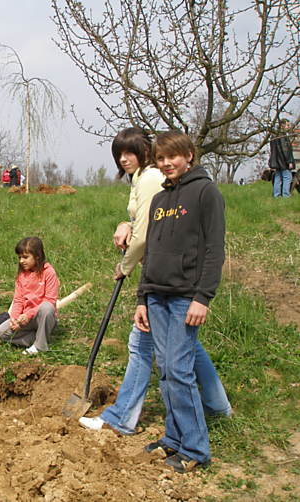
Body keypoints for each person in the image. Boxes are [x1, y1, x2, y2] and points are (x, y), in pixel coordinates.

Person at [79, 127, 231, 436]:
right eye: (119, 153)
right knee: (186, 346)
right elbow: (143, 221)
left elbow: (148, 235)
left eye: (130, 152)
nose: (124, 158)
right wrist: (126, 224)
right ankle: (218, 406)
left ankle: (123, 418)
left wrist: (126, 266)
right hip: (159, 281)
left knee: (140, 346)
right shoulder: (151, 183)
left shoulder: (156, 181)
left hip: (172, 282)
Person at [133, 131, 226, 473]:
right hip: (156, 295)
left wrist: (203, 297)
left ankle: (196, 449)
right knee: (165, 370)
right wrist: (142, 297)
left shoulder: (206, 193)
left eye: (172, 156)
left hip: (185, 298)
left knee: (179, 371)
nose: (167, 163)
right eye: (160, 159)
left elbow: (215, 250)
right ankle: (173, 438)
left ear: (189, 155)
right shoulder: (159, 200)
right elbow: (151, 253)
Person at [0, 237, 60, 354]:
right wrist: (15, 319)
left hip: (42, 316)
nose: (21, 261)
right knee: (0, 332)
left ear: (37, 256)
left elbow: (50, 300)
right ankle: (38, 338)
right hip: (25, 319)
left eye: (25, 257)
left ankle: (40, 346)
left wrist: (28, 315)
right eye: (19, 257)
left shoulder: (49, 273)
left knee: (47, 307)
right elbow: (18, 300)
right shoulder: (21, 275)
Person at [269, 119, 296, 197]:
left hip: (277, 162)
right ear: (282, 125)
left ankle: (276, 195)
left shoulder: (273, 135)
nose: (288, 126)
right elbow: (285, 150)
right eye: (287, 125)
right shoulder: (282, 136)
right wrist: (289, 161)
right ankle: (286, 195)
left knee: (278, 178)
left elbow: (273, 150)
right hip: (283, 161)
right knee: (288, 177)